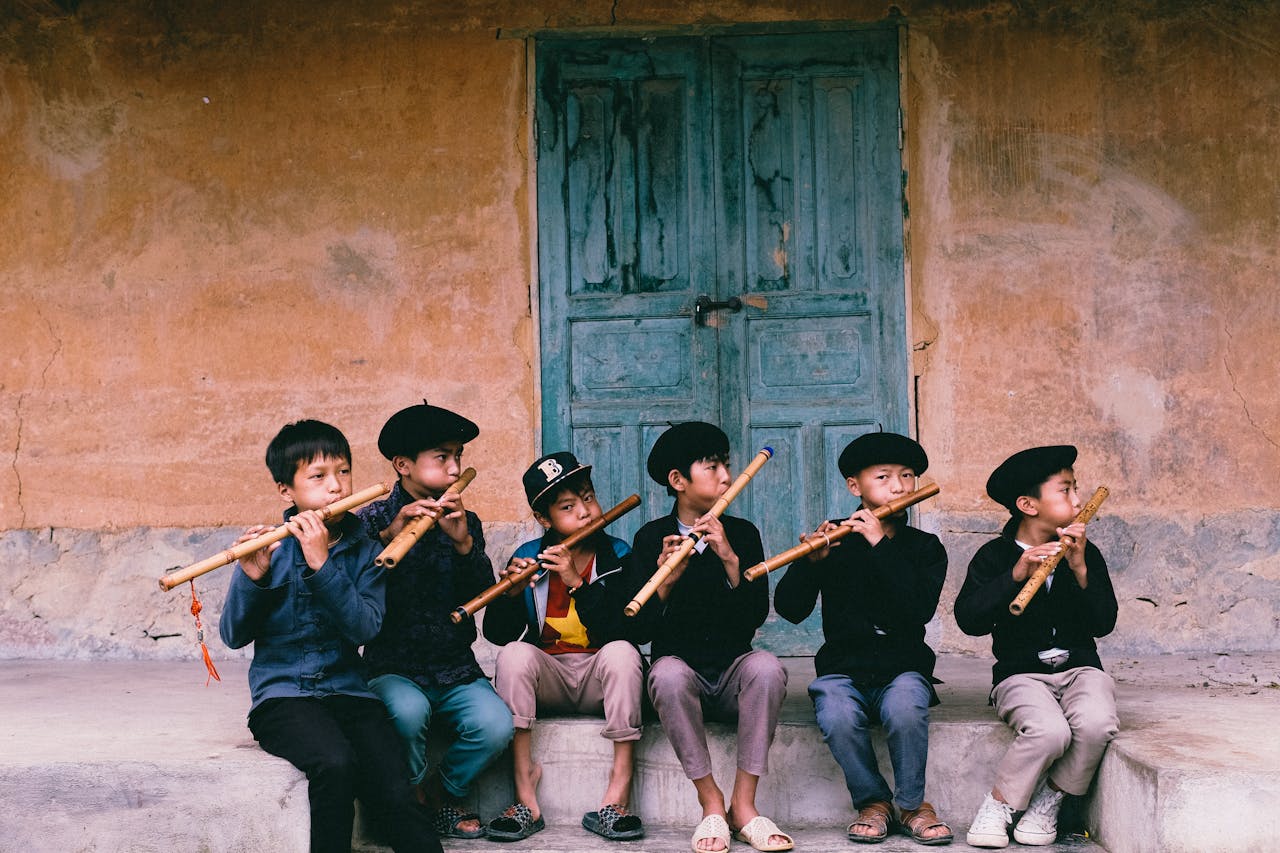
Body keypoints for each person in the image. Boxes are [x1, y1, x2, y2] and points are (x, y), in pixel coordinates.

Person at [219, 419, 442, 853]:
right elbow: (232, 636)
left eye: (343, 472)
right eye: (318, 477)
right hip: (282, 697)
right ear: (287, 490)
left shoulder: (368, 552)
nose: (336, 487)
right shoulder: (269, 549)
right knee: (335, 764)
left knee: (395, 788)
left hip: (349, 693)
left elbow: (365, 627)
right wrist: (252, 578)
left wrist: (324, 566)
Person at [774, 432, 953, 846]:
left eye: (907, 476)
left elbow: (917, 609)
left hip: (902, 667)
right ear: (855, 487)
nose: (899, 486)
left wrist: (879, 544)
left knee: (906, 708)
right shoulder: (834, 538)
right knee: (836, 714)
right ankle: (873, 802)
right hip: (843, 669)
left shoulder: (925, 547)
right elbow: (790, 609)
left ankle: (911, 805)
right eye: (884, 477)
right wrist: (810, 566)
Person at [629, 422, 793, 853]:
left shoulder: (742, 533)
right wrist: (664, 581)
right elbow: (638, 631)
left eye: (727, 465)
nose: (725, 476)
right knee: (664, 675)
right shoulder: (649, 538)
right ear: (678, 481)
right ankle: (711, 802)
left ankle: (744, 804)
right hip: (681, 676)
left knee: (768, 668)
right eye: (712, 466)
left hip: (732, 671)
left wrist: (729, 559)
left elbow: (754, 617)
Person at [357, 402, 514, 840]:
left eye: (458, 456)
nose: (454, 467)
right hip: (393, 665)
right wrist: (388, 537)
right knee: (407, 714)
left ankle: (441, 792)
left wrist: (464, 544)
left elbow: (479, 595)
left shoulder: (467, 521)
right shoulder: (369, 521)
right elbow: (351, 590)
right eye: (441, 457)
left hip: (453, 664)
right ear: (403, 465)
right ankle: (405, 800)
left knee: (495, 725)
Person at [954, 445, 1119, 848]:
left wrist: (1079, 568)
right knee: (1049, 732)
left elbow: (1104, 622)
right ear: (1028, 505)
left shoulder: (1086, 552)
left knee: (1096, 723)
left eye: (1076, 488)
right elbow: (969, 620)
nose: (1078, 500)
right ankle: (999, 804)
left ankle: (1052, 799)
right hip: (1020, 673)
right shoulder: (993, 556)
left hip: (1081, 669)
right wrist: (1016, 574)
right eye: (1065, 490)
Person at [481, 451, 646, 842]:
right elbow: (498, 635)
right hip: (550, 680)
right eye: (568, 507)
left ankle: (618, 793)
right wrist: (511, 594)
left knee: (624, 652)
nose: (586, 512)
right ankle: (525, 795)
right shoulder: (527, 556)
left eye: (588, 498)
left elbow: (626, 629)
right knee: (514, 655)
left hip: (599, 680)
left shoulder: (619, 554)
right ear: (544, 519)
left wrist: (577, 582)